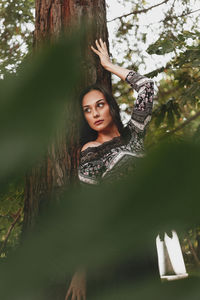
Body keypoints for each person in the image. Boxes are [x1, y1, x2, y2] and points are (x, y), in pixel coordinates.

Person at [65, 38, 154, 300]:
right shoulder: (90, 151)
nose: (95, 113)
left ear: (111, 106)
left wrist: (109, 65)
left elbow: (147, 87)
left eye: (100, 104)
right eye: (87, 110)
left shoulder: (134, 135)